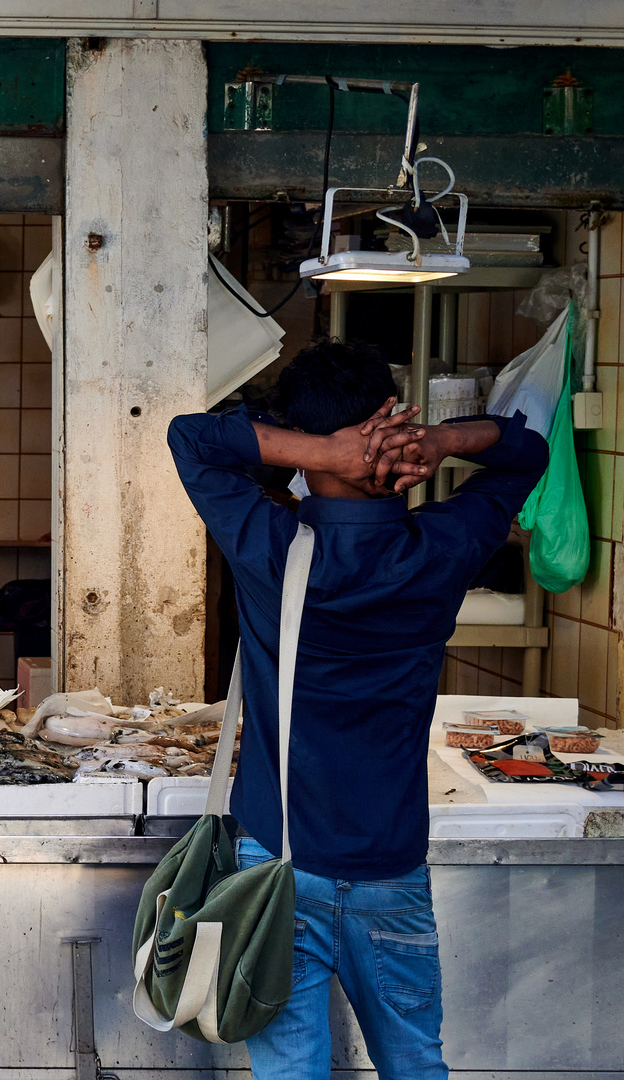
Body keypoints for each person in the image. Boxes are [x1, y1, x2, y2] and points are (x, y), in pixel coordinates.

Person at [168, 340, 548, 1080]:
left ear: (313, 450)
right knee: (414, 1063)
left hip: (277, 864)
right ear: (392, 426)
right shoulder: (444, 545)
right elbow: (523, 452)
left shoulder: (268, 545)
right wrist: (435, 439)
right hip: (391, 870)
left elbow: (193, 437)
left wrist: (325, 452)